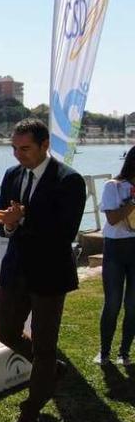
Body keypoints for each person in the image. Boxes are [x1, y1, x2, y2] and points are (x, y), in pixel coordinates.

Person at [0, 118, 86, 422]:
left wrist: (23, 219)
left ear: (45, 146)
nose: (18, 155)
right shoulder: (12, 175)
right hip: (15, 270)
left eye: (25, 148)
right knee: (5, 332)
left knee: (45, 346)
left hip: (49, 274)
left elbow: (64, 233)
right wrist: (9, 224)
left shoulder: (69, 180)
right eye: (14, 148)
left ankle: (31, 412)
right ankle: (52, 371)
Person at [94, 146, 135, 366]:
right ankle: (104, 352)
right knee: (112, 303)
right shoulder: (114, 186)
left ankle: (125, 352)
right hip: (116, 250)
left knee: (133, 305)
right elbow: (112, 219)